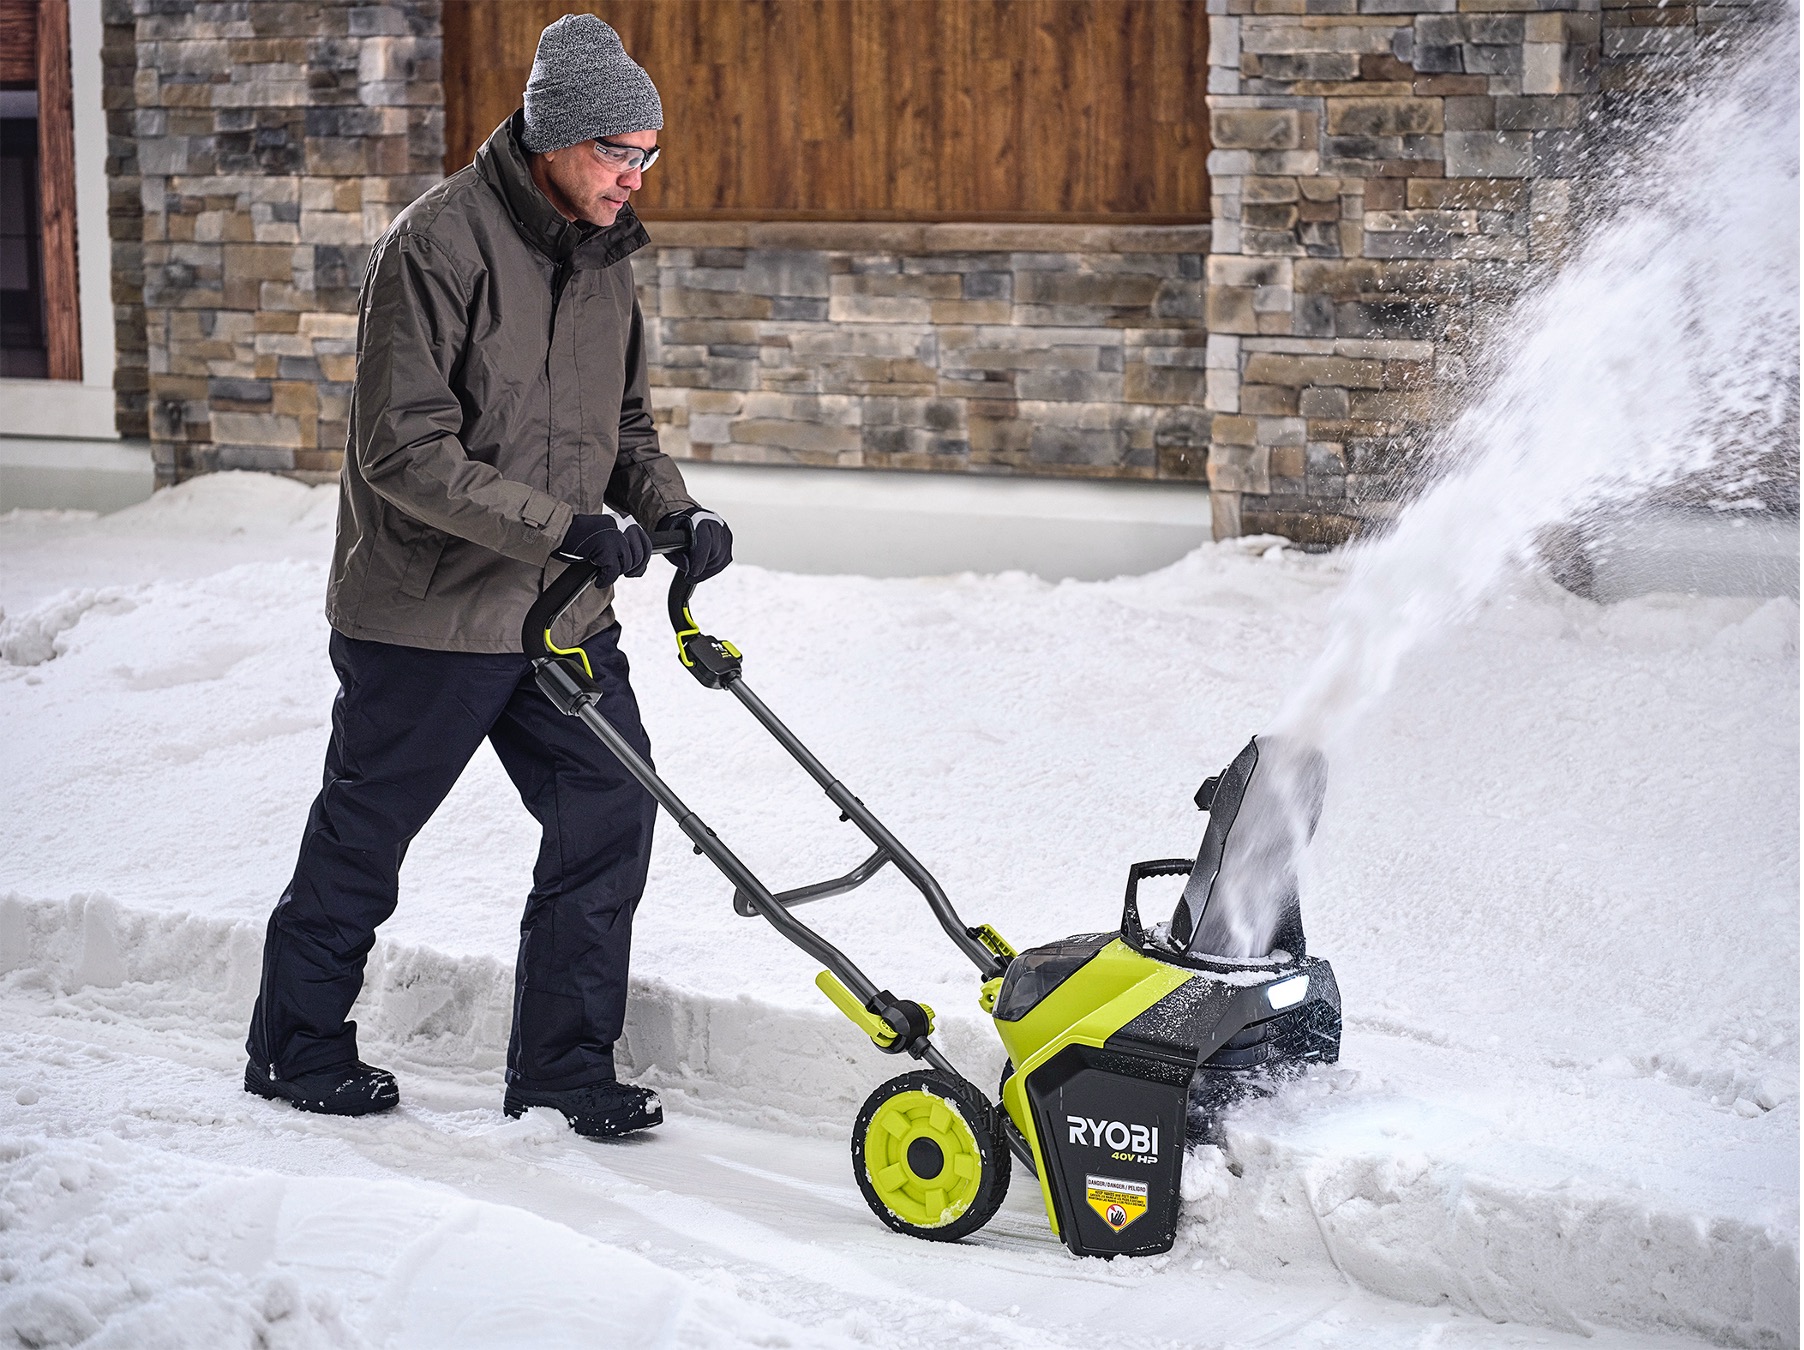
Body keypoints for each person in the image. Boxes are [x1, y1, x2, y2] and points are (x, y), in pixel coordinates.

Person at [244, 15, 728, 1141]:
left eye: (648, 154)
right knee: (369, 833)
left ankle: (563, 1069)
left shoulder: (607, 256)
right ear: (554, 138)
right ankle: (296, 1046)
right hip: (426, 610)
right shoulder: (436, 246)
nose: (635, 176)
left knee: (610, 813)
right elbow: (402, 451)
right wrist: (562, 525)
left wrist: (674, 511)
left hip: (558, 612)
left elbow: (623, 428)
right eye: (619, 152)